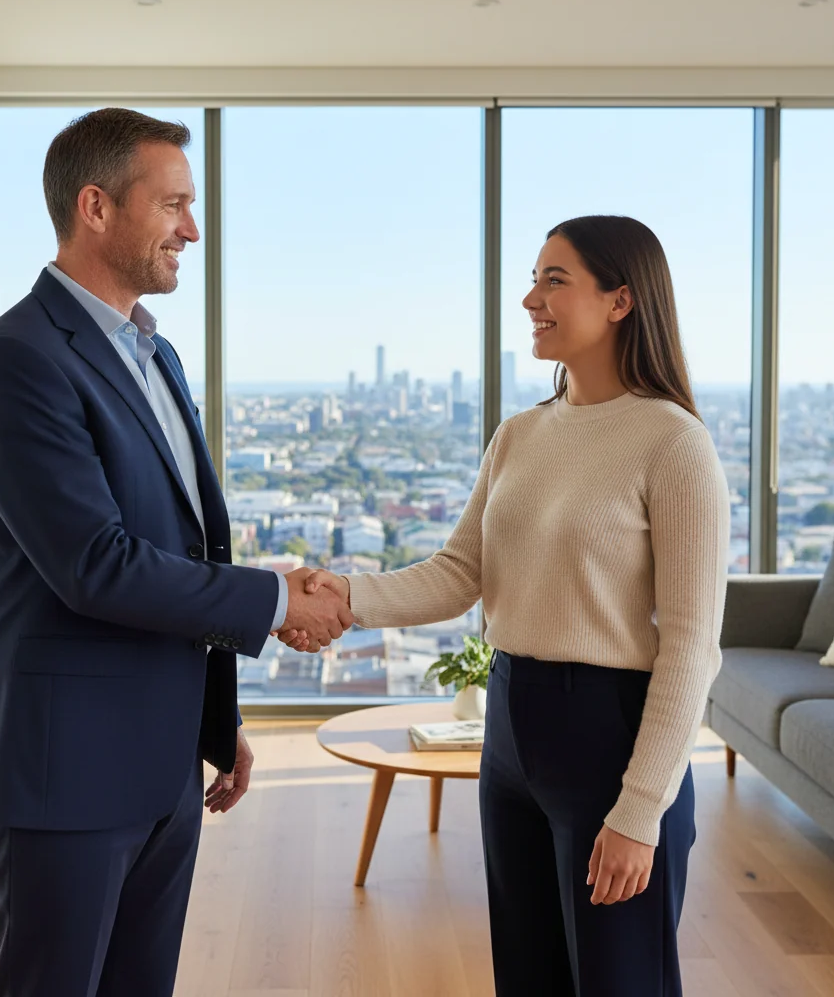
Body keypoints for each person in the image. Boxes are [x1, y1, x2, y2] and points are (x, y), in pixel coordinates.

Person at [0, 107, 352, 997]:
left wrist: (215, 716)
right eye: (173, 205)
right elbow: (95, 564)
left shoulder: (155, 353)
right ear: (96, 207)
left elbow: (179, 543)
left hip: (163, 765)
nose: (192, 230)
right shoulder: (14, 360)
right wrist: (277, 600)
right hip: (67, 773)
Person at [290, 215, 730, 996]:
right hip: (512, 731)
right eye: (532, 280)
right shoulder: (520, 435)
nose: (530, 299)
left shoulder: (673, 443)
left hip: (611, 738)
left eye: (554, 281)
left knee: (621, 981)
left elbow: (692, 648)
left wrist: (640, 810)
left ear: (621, 300)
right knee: (527, 977)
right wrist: (349, 594)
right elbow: (460, 571)